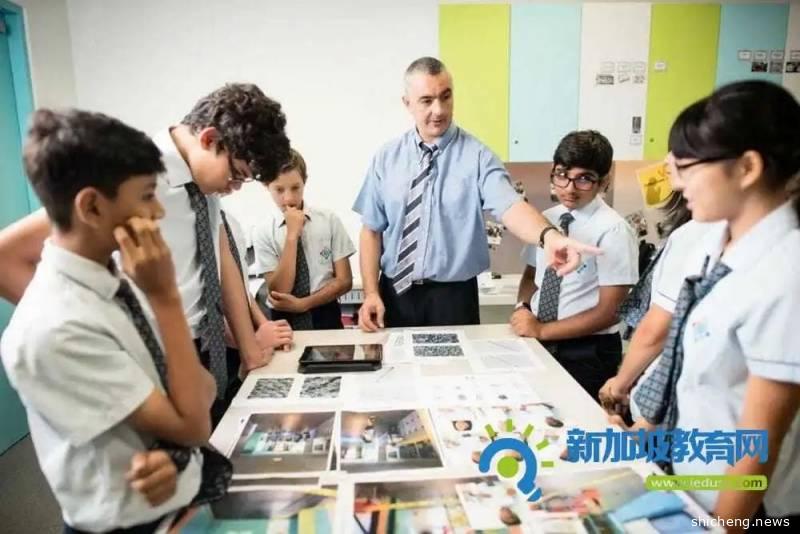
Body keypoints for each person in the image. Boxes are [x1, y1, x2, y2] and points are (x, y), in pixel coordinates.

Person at [0, 84, 294, 423]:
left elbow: (221, 254)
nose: (235, 187)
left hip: (201, 350)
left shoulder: (203, 181)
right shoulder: (133, 177)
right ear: (210, 140)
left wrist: (249, 350)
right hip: (145, 354)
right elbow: (7, 255)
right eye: (237, 176)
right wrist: (94, 332)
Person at [1, 109, 214, 533]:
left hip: (177, 505)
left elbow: (201, 390)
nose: (158, 212)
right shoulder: (54, 327)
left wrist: (175, 449)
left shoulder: (117, 280)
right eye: (147, 195)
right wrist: (166, 297)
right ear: (92, 206)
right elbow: (193, 424)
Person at [617, 81, 800, 528]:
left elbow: (758, 447)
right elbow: (685, 371)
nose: (677, 182)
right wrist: (645, 435)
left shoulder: (786, 274)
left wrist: (722, 526)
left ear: (748, 167)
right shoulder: (711, 245)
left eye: (687, 167)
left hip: (745, 511)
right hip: (691, 485)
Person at [352, 57, 601, 330]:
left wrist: (549, 237)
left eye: (446, 97)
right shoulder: (386, 158)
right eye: (427, 100)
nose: (439, 110)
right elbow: (371, 230)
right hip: (395, 294)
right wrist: (371, 293)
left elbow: (511, 207)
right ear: (407, 103)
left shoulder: (478, 157)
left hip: (453, 298)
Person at [510, 130, 638, 402]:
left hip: (587, 350)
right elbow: (532, 275)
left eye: (584, 179)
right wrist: (523, 307)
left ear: (604, 181)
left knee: (580, 419)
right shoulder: (546, 220)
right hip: (541, 342)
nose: (569, 188)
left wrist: (542, 330)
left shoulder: (614, 230)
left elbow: (611, 311)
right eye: (562, 175)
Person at [598, 193, 711, 419]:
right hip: (669, 394)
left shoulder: (697, 235)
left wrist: (620, 383)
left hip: (683, 404)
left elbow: (657, 329)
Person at [253, 149, 355, 329]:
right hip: (284, 319)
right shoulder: (263, 232)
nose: (289, 198)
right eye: (279, 190)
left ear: (304, 182)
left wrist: (304, 304)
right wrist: (292, 236)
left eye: (295, 188)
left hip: (325, 312)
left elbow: (345, 281)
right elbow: (279, 291)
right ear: (267, 185)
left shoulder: (328, 220)